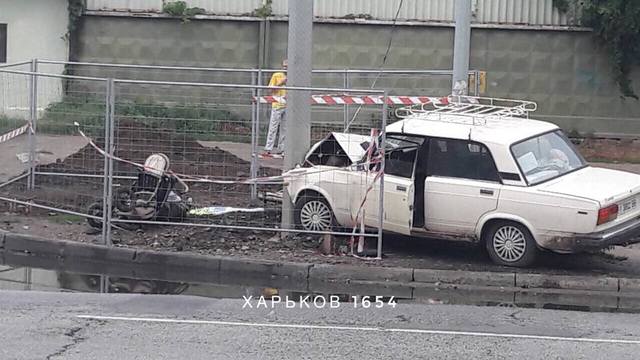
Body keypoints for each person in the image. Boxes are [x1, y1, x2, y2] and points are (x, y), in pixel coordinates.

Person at [260, 59, 287, 159]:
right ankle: (268, 148)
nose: (286, 68)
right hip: (277, 105)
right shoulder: (277, 76)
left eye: (287, 67)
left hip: (288, 106)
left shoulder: (293, 77)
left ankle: (282, 149)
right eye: (284, 66)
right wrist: (281, 83)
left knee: (284, 128)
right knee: (273, 127)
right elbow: (270, 89)